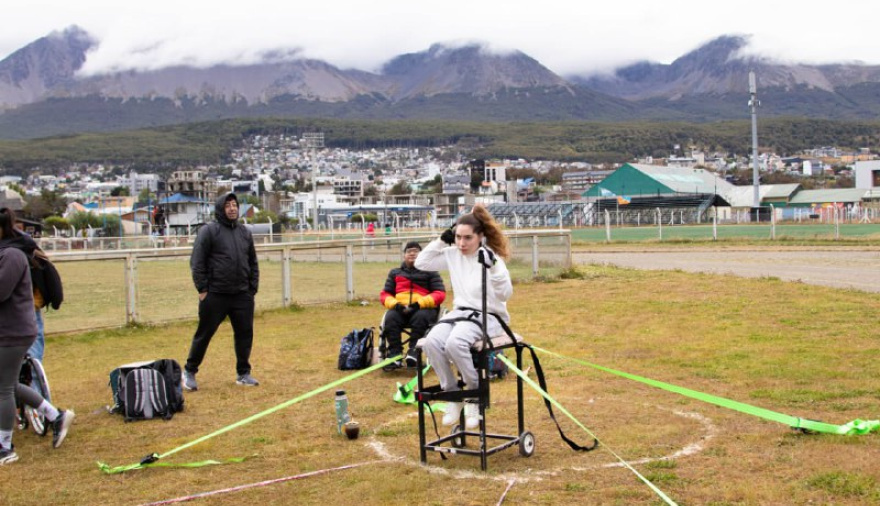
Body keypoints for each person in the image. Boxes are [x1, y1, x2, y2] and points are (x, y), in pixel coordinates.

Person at [414, 204, 513, 430]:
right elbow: (422, 263)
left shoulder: (490, 258)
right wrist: (441, 241)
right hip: (460, 314)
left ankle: (473, 395)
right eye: (457, 237)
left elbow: (506, 294)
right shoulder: (452, 254)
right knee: (430, 342)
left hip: (490, 317)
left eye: (468, 238)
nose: (461, 243)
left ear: (480, 237)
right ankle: (453, 395)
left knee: (454, 343)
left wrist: (495, 267)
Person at [0, 208, 74, 465]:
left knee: (4, 388)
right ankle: (55, 416)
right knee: (7, 385)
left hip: (13, 331)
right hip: (10, 329)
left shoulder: (11, 255)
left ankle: (5, 447)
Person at [183, 193, 260, 390]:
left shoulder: (245, 232)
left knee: (244, 334)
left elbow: (253, 262)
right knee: (204, 334)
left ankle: (243, 373)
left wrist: (252, 288)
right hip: (215, 294)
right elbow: (197, 261)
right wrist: (202, 289)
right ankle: (189, 371)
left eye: (235, 205)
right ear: (221, 209)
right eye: (228, 205)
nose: (232, 208)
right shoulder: (209, 231)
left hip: (242, 294)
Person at [379, 241, 446, 370]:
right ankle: (395, 354)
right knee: (391, 317)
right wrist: (396, 305)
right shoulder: (395, 273)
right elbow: (385, 294)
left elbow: (440, 294)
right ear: (404, 255)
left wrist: (418, 304)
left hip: (423, 308)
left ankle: (414, 352)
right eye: (409, 251)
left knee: (420, 317)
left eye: (416, 251)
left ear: (422, 255)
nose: (412, 253)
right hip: (401, 307)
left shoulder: (431, 272)